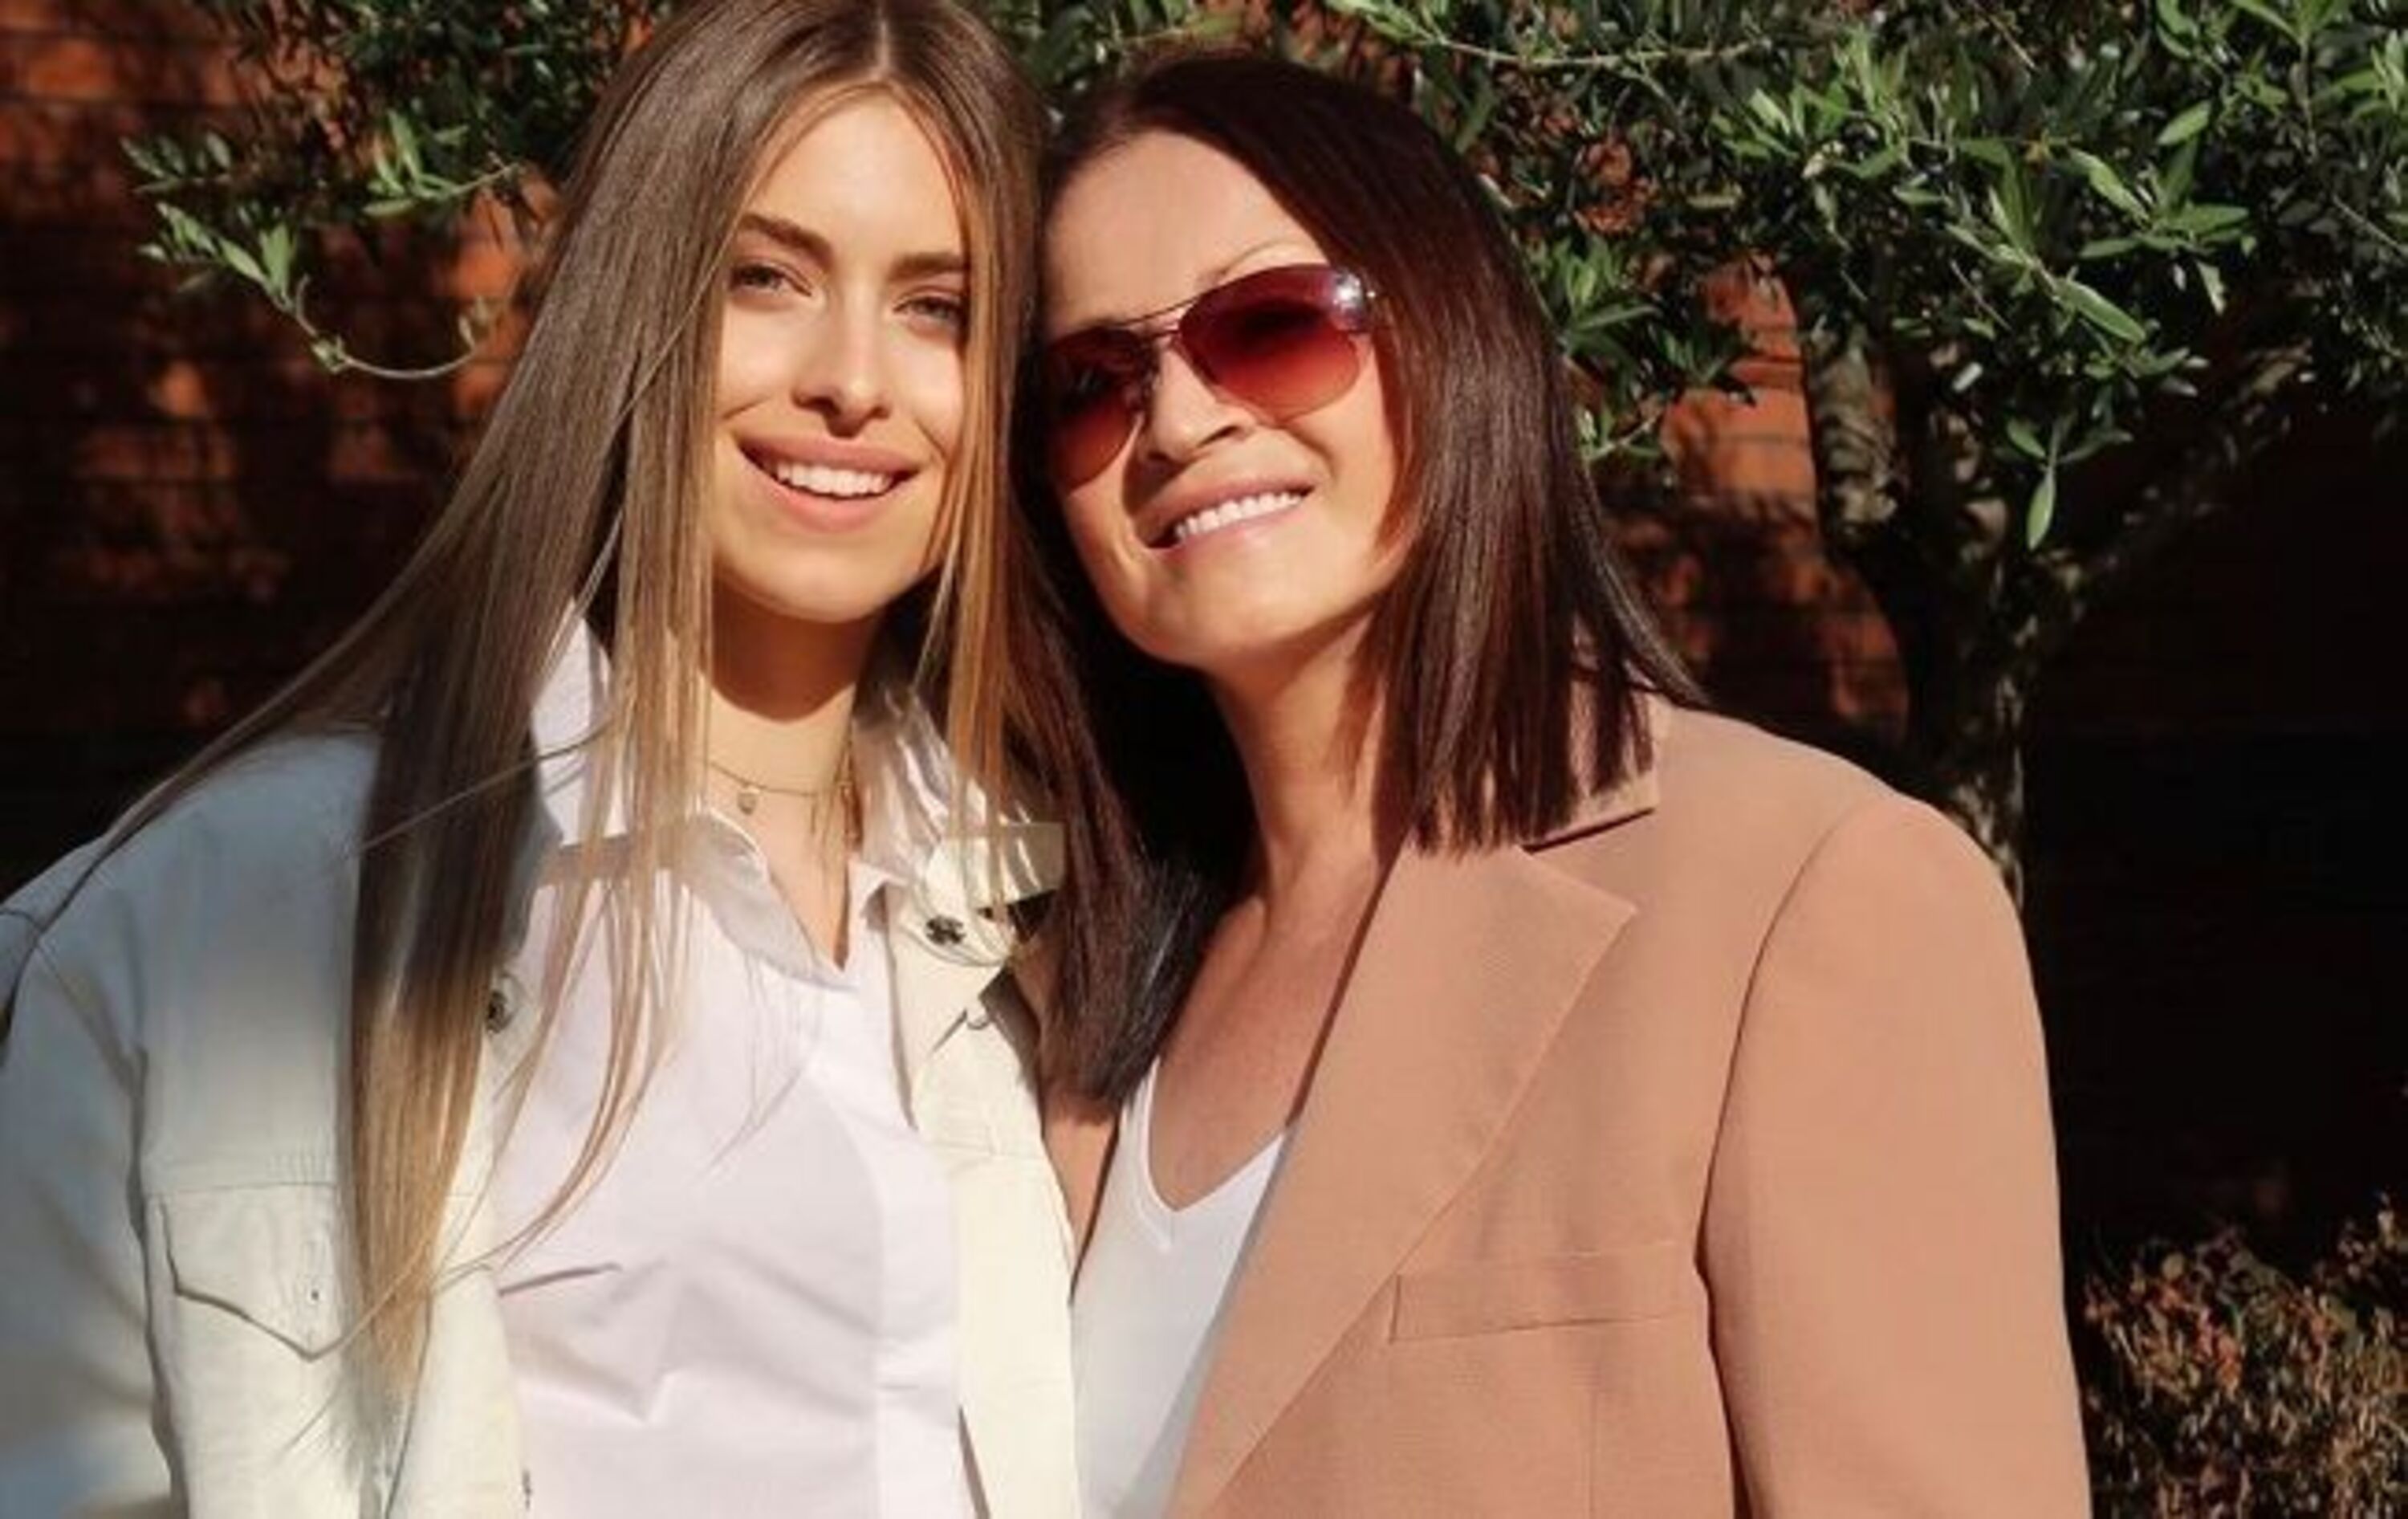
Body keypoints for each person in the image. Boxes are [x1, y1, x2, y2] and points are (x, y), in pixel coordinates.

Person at [0, 2, 1075, 1514]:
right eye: (765, 277)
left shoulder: (1058, 906)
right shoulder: (222, 915)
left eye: (938, 305)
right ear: (636, 312)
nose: (854, 379)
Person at [1011, 49, 2091, 1517]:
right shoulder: (1059, 985)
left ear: (1452, 330)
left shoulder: (1802, 897)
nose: (1181, 422)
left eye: (1269, 327)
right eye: (1095, 384)